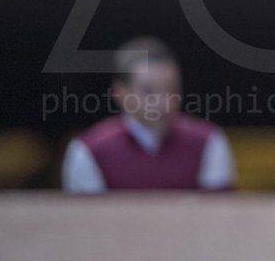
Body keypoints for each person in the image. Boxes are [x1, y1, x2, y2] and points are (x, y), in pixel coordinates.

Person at [62, 37, 235, 193]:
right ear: (120, 93)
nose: (164, 102)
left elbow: (219, 213)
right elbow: (86, 217)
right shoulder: (88, 150)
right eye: (148, 91)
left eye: (171, 89)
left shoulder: (209, 140)